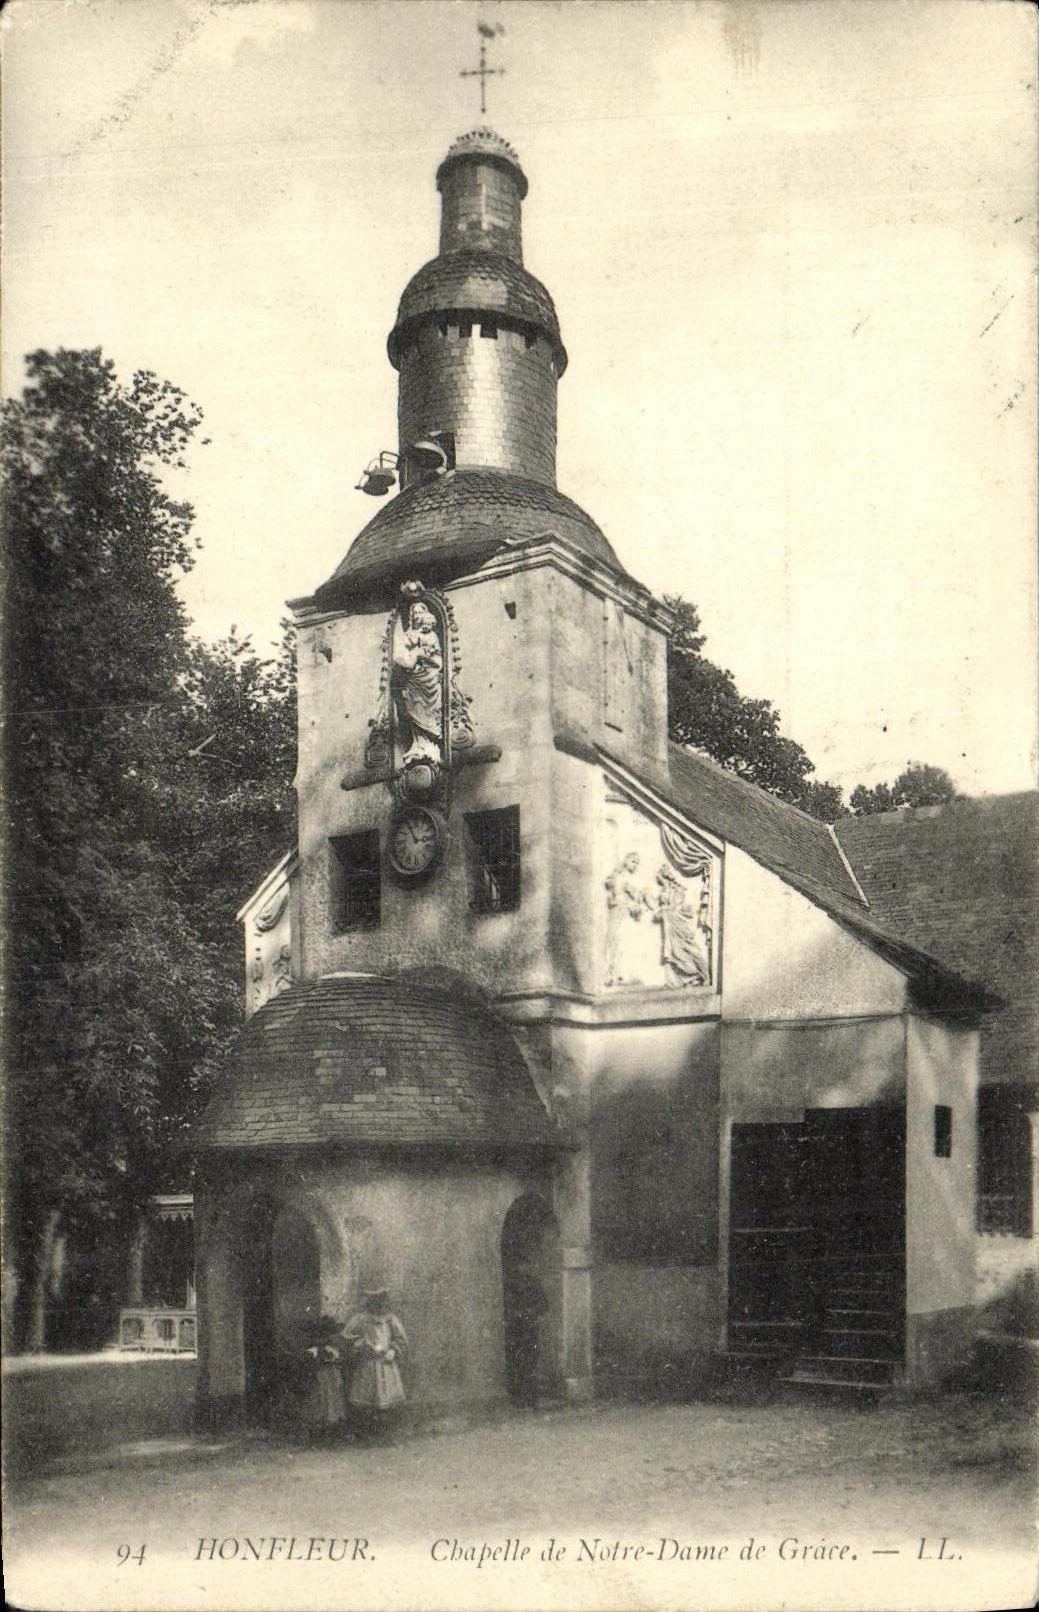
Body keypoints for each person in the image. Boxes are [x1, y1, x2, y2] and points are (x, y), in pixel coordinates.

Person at [343, 1287, 408, 1439]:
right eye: (373, 1300)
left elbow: (401, 1339)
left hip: (386, 1363)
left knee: (386, 1398)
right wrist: (361, 1344)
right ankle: (368, 1433)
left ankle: (385, 1433)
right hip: (368, 1363)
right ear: (369, 1301)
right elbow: (346, 1336)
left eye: (380, 1300)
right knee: (366, 1398)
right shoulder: (361, 1319)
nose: (377, 1304)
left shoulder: (390, 1319)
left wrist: (393, 1350)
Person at [504, 1259, 548, 1408]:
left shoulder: (534, 1284)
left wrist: (532, 1313)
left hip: (530, 1328)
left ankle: (530, 1399)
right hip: (515, 1330)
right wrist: (517, 1315)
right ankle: (518, 1399)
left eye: (525, 1264)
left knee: (530, 1363)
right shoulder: (511, 1285)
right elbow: (507, 1305)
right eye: (520, 1264)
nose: (523, 1267)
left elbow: (543, 1304)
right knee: (516, 1362)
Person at [300, 1314, 347, 1439]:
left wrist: (333, 1357)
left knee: (333, 1399)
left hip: (332, 1375)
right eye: (325, 1334)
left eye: (330, 1334)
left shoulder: (335, 1346)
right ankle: (320, 1428)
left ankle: (332, 1427)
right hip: (322, 1375)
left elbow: (339, 1358)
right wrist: (320, 1356)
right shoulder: (316, 1348)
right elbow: (311, 1358)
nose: (328, 1338)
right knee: (321, 1399)